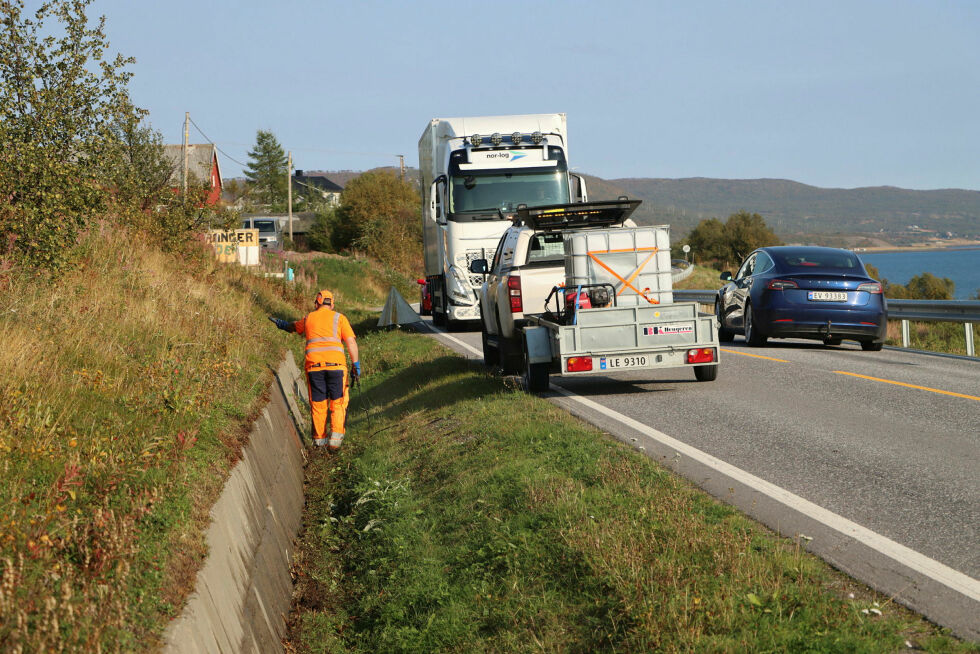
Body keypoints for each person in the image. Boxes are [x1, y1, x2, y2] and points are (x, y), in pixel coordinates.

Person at [269, 290, 361, 451]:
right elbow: (351, 343)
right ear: (332, 304)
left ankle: (320, 445)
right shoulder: (340, 318)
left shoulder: (309, 318)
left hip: (314, 368)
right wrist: (356, 365)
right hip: (337, 368)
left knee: (318, 406)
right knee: (338, 404)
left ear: (316, 303)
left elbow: (293, 327)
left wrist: (282, 325)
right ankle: (335, 442)